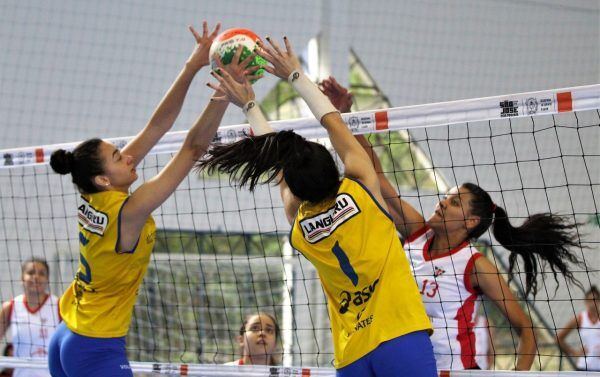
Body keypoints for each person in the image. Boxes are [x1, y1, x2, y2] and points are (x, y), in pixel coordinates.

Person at [197, 36, 437, 377]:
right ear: (334, 167)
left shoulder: (301, 224)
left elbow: (281, 170)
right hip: (399, 335)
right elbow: (332, 122)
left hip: (352, 353)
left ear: (294, 188)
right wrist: (295, 74)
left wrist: (250, 103)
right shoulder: (362, 190)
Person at [319, 76, 587, 371]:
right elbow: (377, 178)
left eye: (454, 202)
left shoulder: (475, 264)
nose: (442, 202)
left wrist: (517, 374)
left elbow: (527, 329)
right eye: (446, 197)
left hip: (455, 370)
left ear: (471, 221)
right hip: (403, 364)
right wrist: (346, 117)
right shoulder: (416, 233)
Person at [45, 21, 254, 377]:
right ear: (102, 178)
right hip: (96, 347)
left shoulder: (94, 194)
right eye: (117, 157)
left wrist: (193, 65)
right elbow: (192, 149)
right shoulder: (129, 210)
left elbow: (156, 127)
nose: (127, 156)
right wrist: (224, 91)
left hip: (68, 334)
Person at [0, 259, 59, 377]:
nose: (36, 277)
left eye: (42, 273)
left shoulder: (59, 306)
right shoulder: (10, 307)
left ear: (47, 280)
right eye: (31, 272)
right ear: (22, 278)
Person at [557, 286, 600, 371]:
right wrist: (574, 353)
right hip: (583, 367)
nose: (592, 303)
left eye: (595, 300)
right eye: (589, 300)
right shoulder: (580, 318)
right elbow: (558, 338)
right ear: (585, 302)